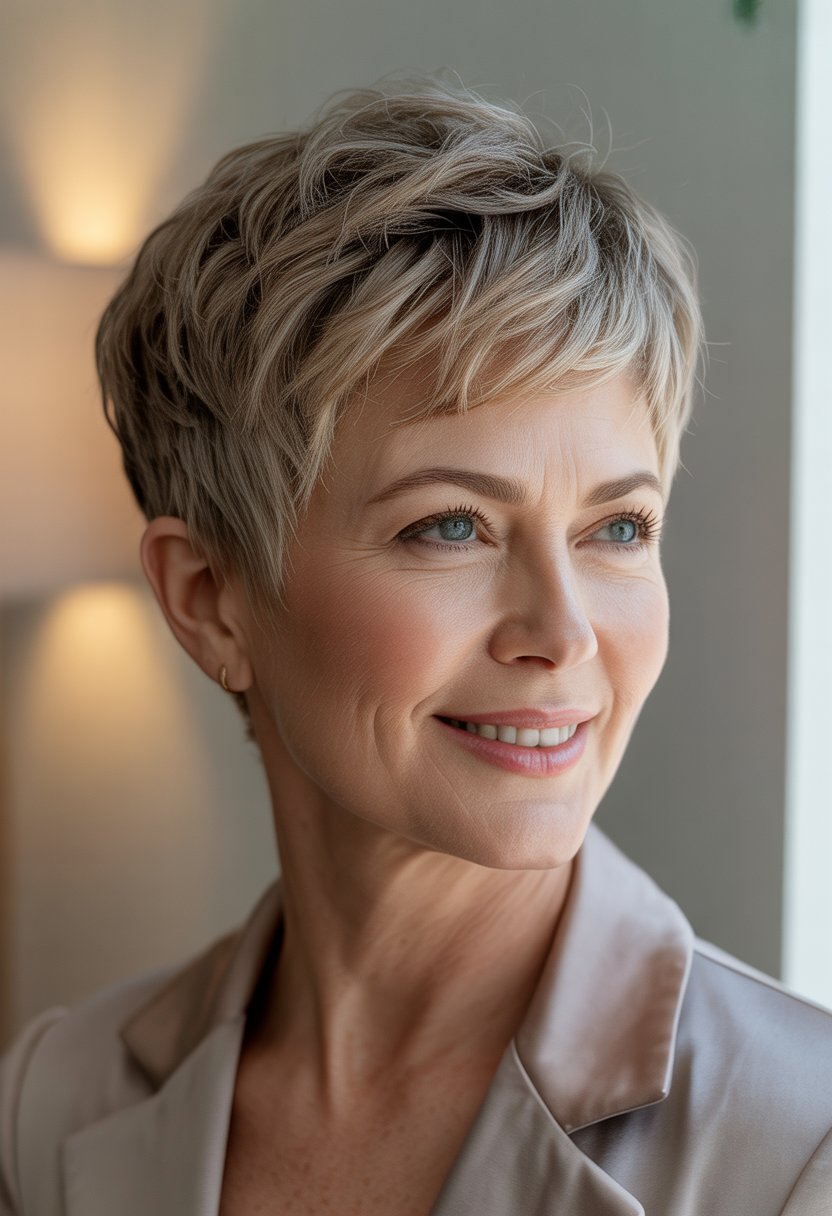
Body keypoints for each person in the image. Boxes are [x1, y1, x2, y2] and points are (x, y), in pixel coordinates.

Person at [1, 74, 830, 1216]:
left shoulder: (800, 1145)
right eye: (452, 527)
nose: (563, 632)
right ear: (209, 599)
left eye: (618, 529)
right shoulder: (49, 1105)